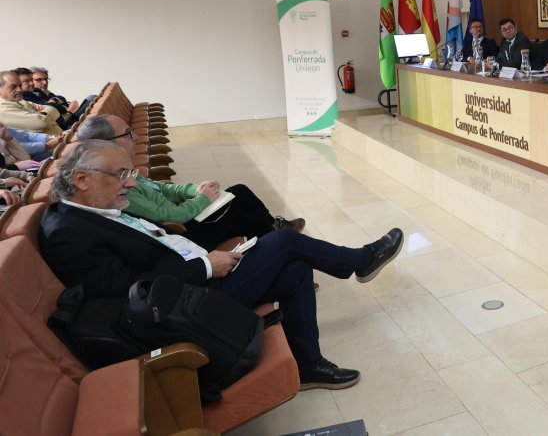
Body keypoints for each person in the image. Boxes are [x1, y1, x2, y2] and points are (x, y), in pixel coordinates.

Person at [39, 140, 405, 390]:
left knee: (294, 270)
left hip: (190, 279)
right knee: (284, 241)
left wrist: (202, 259)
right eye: (119, 176)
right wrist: (204, 267)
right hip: (184, 305)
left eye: (128, 173)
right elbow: (124, 290)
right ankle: (360, 261)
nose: (129, 184)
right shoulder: (68, 232)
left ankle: (307, 364)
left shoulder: (94, 210)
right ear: (82, 179)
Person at [76, 114, 304, 251]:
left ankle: (280, 244)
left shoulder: (123, 170)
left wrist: (194, 189)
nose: (135, 137)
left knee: (249, 217)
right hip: (184, 233)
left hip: (185, 219)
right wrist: (203, 199)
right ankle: (280, 239)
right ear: (104, 143)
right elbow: (171, 218)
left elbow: (162, 187)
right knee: (240, 195)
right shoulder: (117, 186)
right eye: (127, 133)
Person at [0, 70, 64, 135]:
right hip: (53, 143)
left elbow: (53, 109)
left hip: (62, 137)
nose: (19, 90)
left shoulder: (21, 101)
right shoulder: (3, 110)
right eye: (13, 87)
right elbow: (41, 123)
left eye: (20, 86)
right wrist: (45, 117)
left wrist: (40, 115)